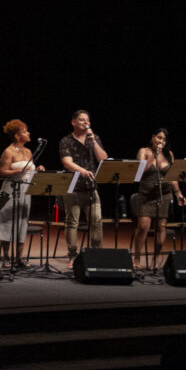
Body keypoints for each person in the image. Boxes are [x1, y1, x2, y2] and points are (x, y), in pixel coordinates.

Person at [131, 127, 186, 269]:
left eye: (163, 139)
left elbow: (173, 176)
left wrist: (178, 193)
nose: (161, 141)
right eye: (159, 137)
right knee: (143, 226)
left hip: (164, 195)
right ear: (153, 137)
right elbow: (140, 171)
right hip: (146, 195)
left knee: (161, 227)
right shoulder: (144, 151)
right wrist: (153, 155)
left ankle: (156, 259)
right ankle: (136, 258)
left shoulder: (169, 155)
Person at [59, 110, 108, 266]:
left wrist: (93, 141)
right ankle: (73, 255)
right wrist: (83, 171)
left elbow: (103, 159)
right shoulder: (66, 141)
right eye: (81, 120)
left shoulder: (94, 138)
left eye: (87, 120)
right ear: (73, 122)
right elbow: (67, 162)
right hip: (73, 186)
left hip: (91, 186)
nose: (85, 123)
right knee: (72, 222)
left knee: (97, 220)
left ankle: (96, 253)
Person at [0, 119, 45, 266]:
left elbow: (29, 171)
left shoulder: (28, 151)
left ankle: (19, 258)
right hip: (12, 188)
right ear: (17, 136)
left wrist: (37, 170)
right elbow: (2, 172)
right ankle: (5, 257)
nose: (28, 133)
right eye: (25, 131)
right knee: (8, 221)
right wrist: (17, 171)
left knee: (22, 221)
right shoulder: (9, 151)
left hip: (26, 189)